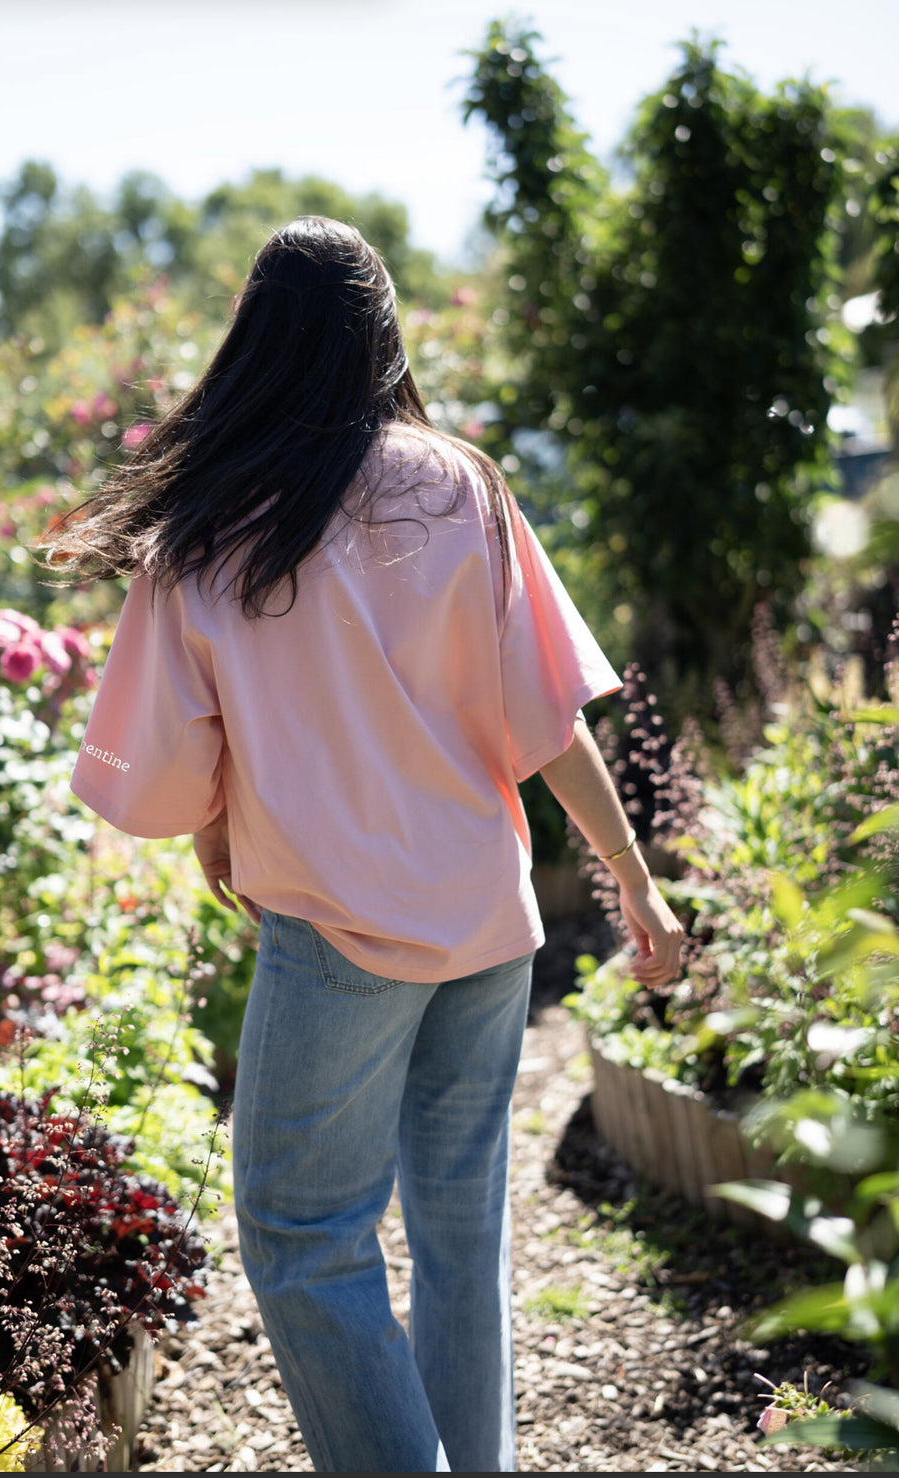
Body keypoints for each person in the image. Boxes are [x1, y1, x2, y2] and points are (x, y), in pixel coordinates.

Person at [47, 216, 683, 1473]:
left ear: (254, 342)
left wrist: (221, 823)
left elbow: (174, 764)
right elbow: (544, 718)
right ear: (379, 334)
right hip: (487, 917)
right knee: (461, 1223)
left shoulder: (212, 516)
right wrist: (634, 876)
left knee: (301, 1233)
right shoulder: (462, 484)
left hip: (336, 934)